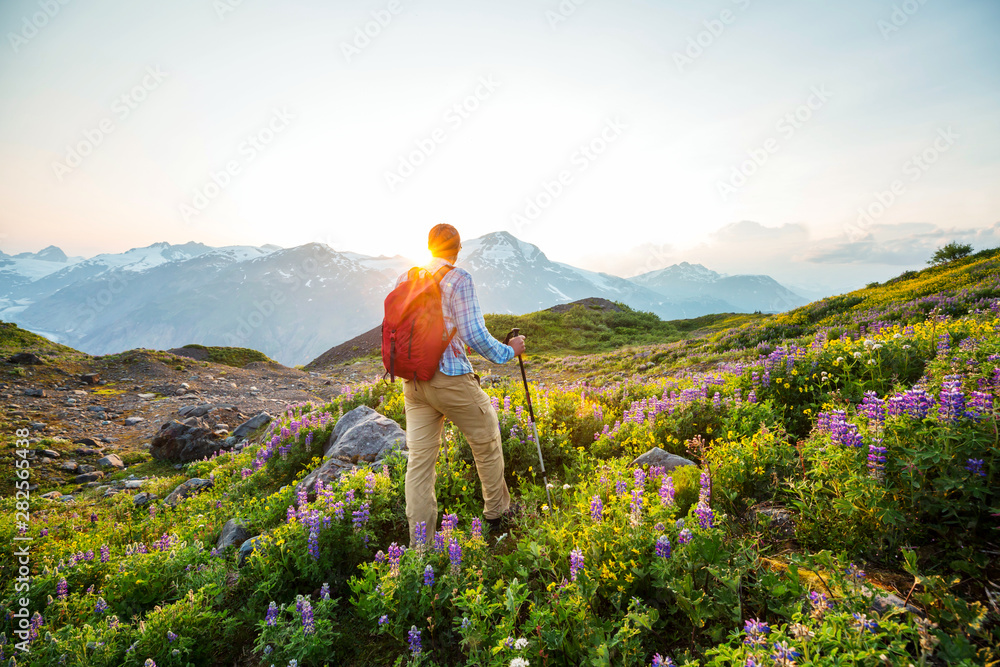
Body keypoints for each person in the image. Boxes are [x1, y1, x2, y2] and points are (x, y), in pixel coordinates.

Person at [398, 224, 526, 546]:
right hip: (450, 379)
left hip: (412, 383)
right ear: (457, 249)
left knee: (420, 463)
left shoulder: (406, 277)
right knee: (487, 436)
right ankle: (498, 514)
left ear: (429, 247)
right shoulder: (459, 279)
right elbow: (476, 336)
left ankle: (420, 546)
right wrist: (510, 351)